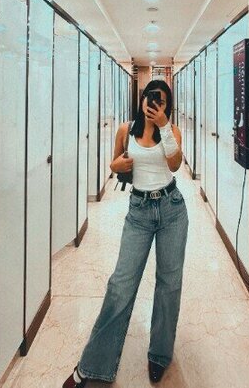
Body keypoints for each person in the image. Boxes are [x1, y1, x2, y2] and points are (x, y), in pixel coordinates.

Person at [63, 80, 189, 387]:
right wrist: (115, 164)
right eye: (149, 97)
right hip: (139, 212)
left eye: (160, 100)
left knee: (169, 284)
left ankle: (160, 354)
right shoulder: (125, 130)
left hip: (172, 209)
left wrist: (164, 125)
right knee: (120, 285)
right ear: (141, 99)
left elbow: (174, 165)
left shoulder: (172, 131)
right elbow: (116, 165)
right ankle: (93, 366)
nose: (153, 104)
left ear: (167, 106)